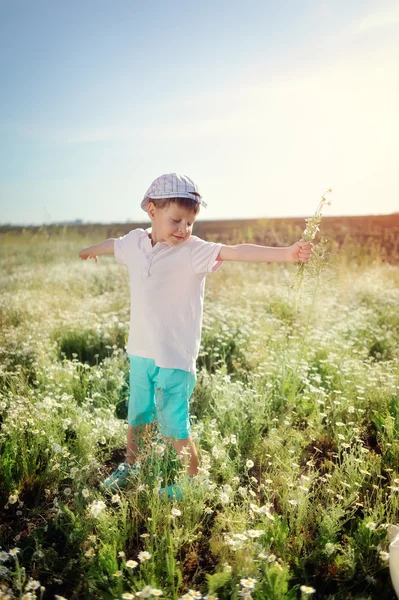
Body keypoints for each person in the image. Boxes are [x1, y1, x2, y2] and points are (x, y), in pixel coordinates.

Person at [79, 173, 313, 498]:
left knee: (173, 423)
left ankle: (189, 483)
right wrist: (92, 249)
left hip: (174, 356)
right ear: (152, 210)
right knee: (139, 412)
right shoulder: (134, 242)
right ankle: (132, 464)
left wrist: (286, 253)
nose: (183, 230)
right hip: (141, 350)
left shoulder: (193, 250)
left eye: (190, 222)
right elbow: (113, 245)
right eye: (176, 220)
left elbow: (236, 250)